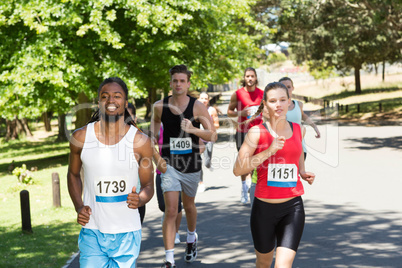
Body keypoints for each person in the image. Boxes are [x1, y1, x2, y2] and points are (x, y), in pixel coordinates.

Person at [67, 77, 154, 267]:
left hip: (127, 232)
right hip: (92, 230)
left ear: (126, 101)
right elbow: (73, 174)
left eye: (117, 96)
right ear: (98, 101)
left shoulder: (141, 142)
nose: (111, 101)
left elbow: (148, 186)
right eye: (105, 96)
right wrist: (79, 206)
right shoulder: (80, 137)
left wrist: (140, 199)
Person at [233, 82, 315, 268]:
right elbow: (238, 169)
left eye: (282, 100)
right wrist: (268, 151)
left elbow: (297, 156)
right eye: (273, 100)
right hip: (264, 209)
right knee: (263, 263)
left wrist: (302, 172)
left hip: (293, 208)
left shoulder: (299, 130)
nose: (278, 104)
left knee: (283, 266)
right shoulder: (256, 132)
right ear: (265, 104)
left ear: (289, 102)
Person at [151, 64, 217, 268]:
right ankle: (169, 259)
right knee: (171, 210)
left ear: (188, 84)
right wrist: (157, 158)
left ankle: (191, 237)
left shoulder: (197, 106)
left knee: (188, 206)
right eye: (175, 81)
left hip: (191, 165)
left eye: (182, 81)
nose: (178, 84)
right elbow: (152, 134)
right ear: (170, 83)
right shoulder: (159, 106)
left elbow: (212, 134)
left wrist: (193, 130)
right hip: (169, 165)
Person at [227, 67, 264, 204]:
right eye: (247, 76)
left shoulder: (263, 93)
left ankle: (255, 189)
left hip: (260, 133)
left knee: (258, 161)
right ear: (244, 78)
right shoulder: (237, 94)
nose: (250, 79)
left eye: (252, 76)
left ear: (256, 78)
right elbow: (230, 111)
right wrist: (240, 114)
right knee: (244, 162)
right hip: (243, 132)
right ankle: (244, 189)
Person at [154, 124, 183, 245]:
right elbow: (150, 144)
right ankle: (167, 216)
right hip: (162, 170)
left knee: (176, 205)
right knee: (163, 205)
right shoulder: (158, 127)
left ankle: (175, 232)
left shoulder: (181, 126)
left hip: (178, 171)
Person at [279, 77, 321, 160]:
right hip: (282, 148)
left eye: (288, 87)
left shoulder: (299, 105)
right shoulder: (276, 107)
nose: (286, 89)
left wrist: (315, 127)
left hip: (299, 147)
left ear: (293, 88)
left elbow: (303, 116)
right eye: (283, 87)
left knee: (298, 172)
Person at [127, 102, 146, 225]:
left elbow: (162, 167)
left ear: (135, 118)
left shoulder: (142, 139)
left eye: (127, 116)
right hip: (111, 200)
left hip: (136, 199)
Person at [197, 91, 220, 192]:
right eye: (202, 98)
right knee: (197, 161)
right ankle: (200, 182)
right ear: (198, 99)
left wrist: (208, 126)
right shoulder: (195, 110)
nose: (203, 100)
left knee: (206, 162)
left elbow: (217, 125)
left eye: (205, 99)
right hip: (197, 139)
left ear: (208, 100)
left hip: (208, 139)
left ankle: (209, 164)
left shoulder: (211, 110)